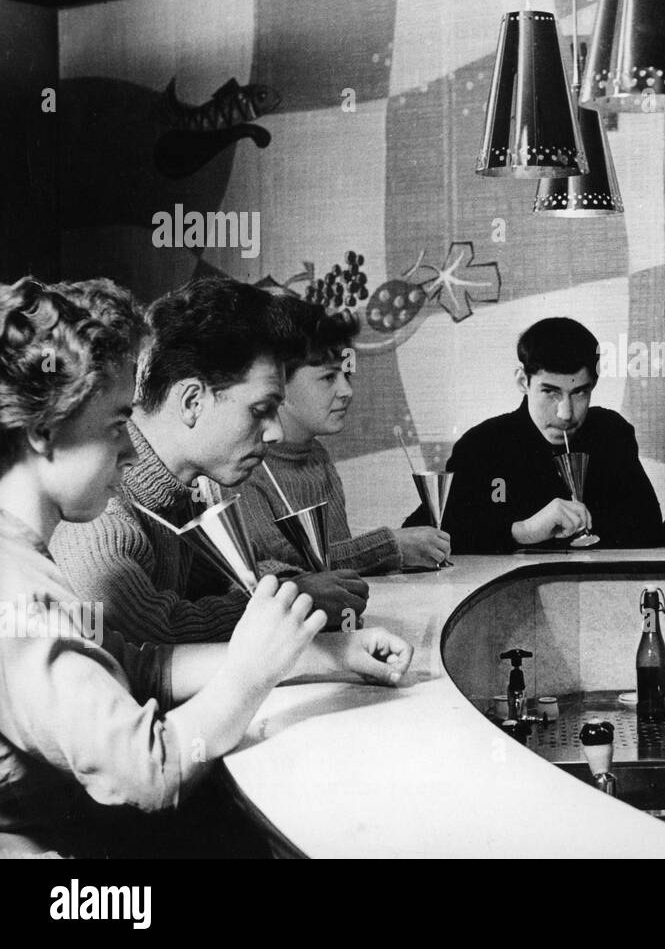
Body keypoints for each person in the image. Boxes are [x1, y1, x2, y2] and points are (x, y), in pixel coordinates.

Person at [0, 278, 412, 858]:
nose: (128, 449)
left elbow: (138, 668)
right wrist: (250, 676)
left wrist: (324, 655)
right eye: (117, 425)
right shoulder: (16, 591)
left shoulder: (23, 559)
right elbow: (151, 771)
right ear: (44, 433)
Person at [50, 277, 369, 642]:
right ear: (192, 402)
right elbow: (151, 634)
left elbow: (232, 576)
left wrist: (291, 586)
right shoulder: (99, 510)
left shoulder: (194, 491)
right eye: (261, 409)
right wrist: (296, 600)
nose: (275, 433)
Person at [403, 317, 664, 551]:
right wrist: (522, 531)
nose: (565, 413)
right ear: (522, 381)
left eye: (579, 392)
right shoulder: (484, 444)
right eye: (550, 392)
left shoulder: (611, 434)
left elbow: (651, 529)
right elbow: (424, 534)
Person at [238, 294, 451, 573]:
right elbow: (279, 564)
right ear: (278, 384)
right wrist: (391, 545)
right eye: (329, 377)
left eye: (346, 376)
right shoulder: (242, 466)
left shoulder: (316, 455)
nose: (347, 391)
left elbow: (332, 567)